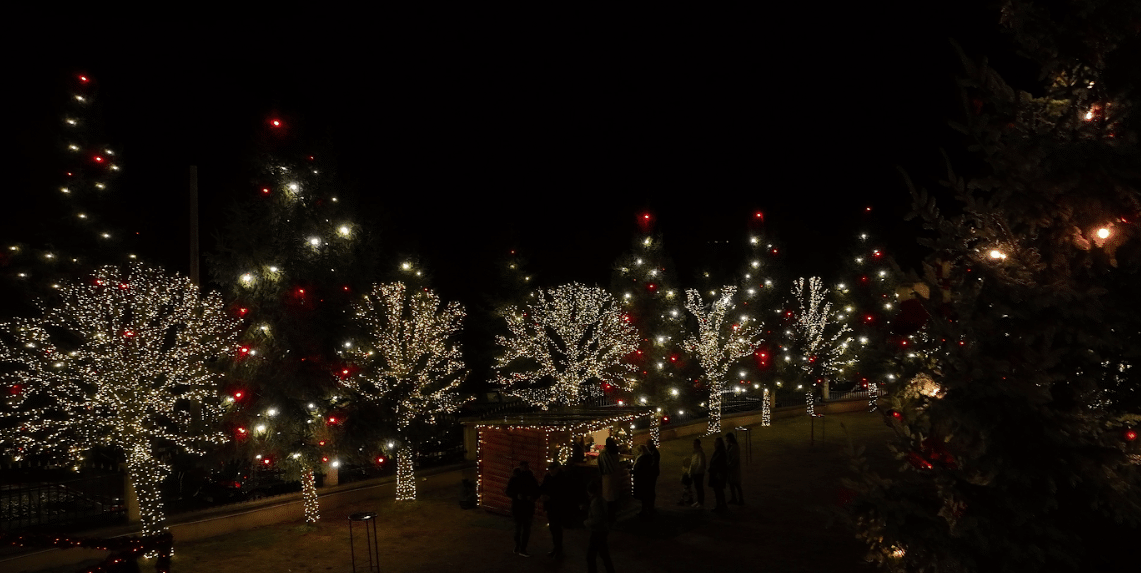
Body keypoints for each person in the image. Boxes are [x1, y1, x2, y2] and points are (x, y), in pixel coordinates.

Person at [539, 461, 573, 559]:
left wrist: (550, 497)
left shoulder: (562, 478)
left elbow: (563, 494)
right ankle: (556, 548)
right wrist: (542, 495)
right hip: (550, 507)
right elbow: (543, 487)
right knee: (553, 529)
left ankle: (559, 549)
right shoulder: (548, 477)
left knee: (557, 529)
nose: (550, 471)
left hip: (558, 507)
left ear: (557, 468)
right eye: (549, 469)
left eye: (552, 469)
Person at [505, 461, 539, 557]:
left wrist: (532, 497)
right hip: (518, 507)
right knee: (518, 529)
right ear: (520, 467)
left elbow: (537, 491)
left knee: (526, 530)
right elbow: (508, 491)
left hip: (528, 507)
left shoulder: (532, 479)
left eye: (526, 466)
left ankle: (523, 548)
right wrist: (516, 496)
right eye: (523, 466)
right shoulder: (515, 479)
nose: (525, 468)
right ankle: (518, 545)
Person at [584, 480, 615, 573]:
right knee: (604, 554)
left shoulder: (596, 502)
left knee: (591, 556)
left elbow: (597, 519)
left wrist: (586, 522)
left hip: (597, 532)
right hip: (602, 530)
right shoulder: (600, 500)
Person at [598, 436, 621, 520]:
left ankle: (609, 516)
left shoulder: (604, 453)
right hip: (615, 475)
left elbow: (602, 465)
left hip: (607, 476)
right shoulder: (614, 452)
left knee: (608, 497)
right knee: (614, 495)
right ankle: (614, 513)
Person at [632, 444, 654, 517]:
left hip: (642, 480)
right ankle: (647, 509)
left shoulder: (642, 458)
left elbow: (639, 469)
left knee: (643, 495)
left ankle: (645, 511)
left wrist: (632, 471)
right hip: (645, 479)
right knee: (645, 495)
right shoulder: (648, 457)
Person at [708, 437, 728, 512]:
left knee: (718, 490)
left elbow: (722, 464)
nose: (714, 444)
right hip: (715, 473)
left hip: (718, 474)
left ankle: (720, 505)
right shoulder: (717, 451)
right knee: (718, 490)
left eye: (716, 442)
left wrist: (718, 472)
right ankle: (721, 505)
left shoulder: (721, 452)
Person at [725, 432, 744, 505]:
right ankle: (734, 498)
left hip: (734, 468)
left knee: (736, 484)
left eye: (727, 438)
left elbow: (734, 459)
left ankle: (740, 499)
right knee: (732, 484)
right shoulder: (730, 446)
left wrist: (730, 465)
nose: (726, 440)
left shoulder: (734, 447)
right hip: (731, 468)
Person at [689, 438, 706, 508]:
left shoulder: (700, 453)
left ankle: (701, 502)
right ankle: (698, 501)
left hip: (699, 473)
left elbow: (700, 464)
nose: (693, 445)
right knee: (697, 487)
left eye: (695, 443)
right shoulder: (695, 452)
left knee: (699, 487)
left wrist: (695, 471)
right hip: (695, 472)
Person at [646, 441, 661, 514]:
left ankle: (651, 506)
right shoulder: (652, 451)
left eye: (647, 444)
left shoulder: (653, 452)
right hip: (653, 472)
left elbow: (653, 463)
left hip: (653, 473)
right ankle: (650, 505)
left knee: (651, 489)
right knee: (651, 489)